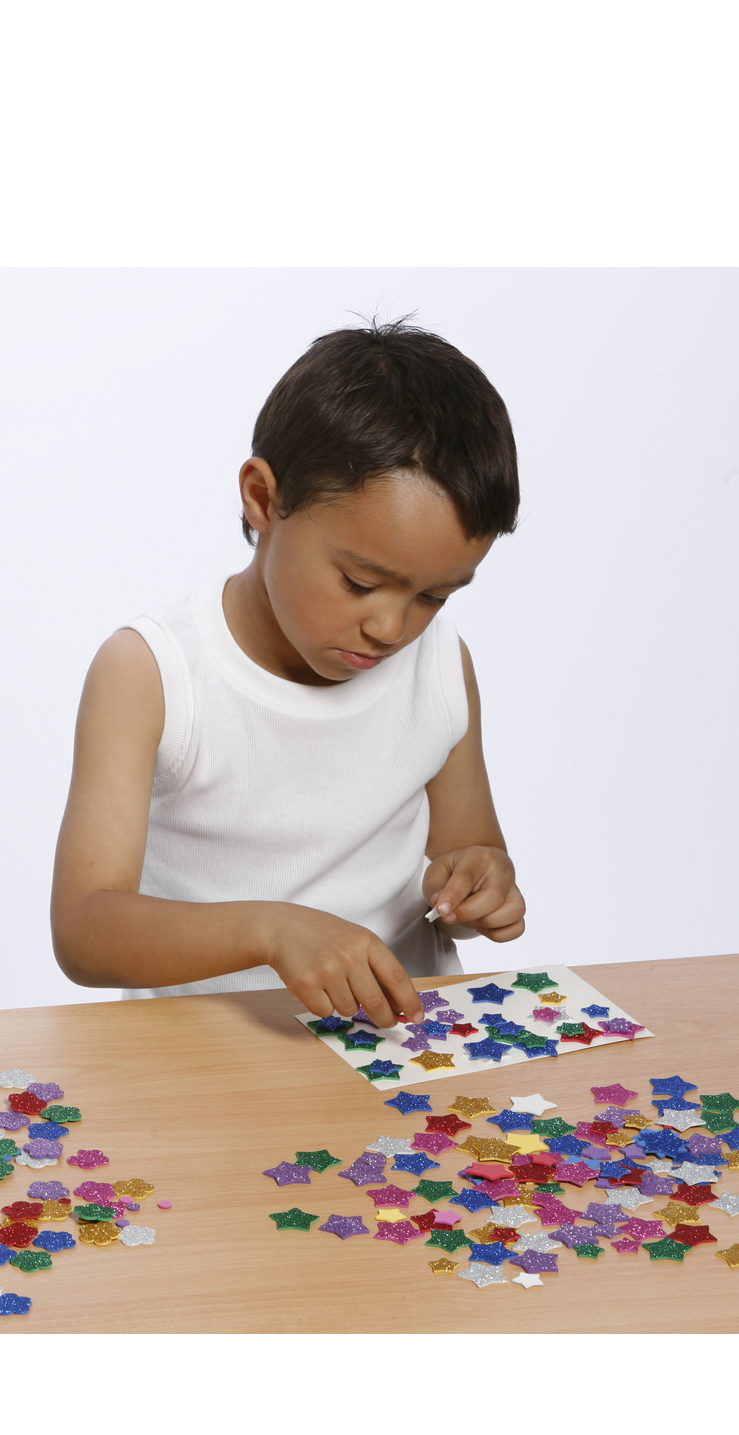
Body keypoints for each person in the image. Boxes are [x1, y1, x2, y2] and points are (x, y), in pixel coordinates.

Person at [51, 319, 528, 1030]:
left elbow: (468, 854)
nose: (391, 628)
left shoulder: (439, 662)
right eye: (360, 583)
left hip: (401, 1052)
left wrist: (479, 887)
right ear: (263, 498)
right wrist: (274, 930)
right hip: (209, 1058)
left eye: (434, 596)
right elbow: (84, 930)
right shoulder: (153, 674)